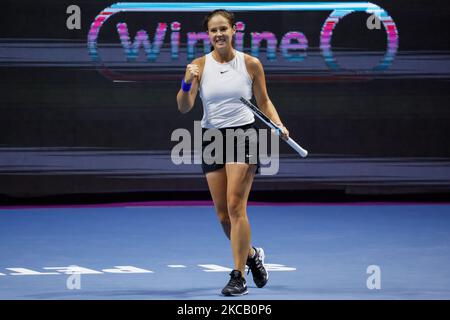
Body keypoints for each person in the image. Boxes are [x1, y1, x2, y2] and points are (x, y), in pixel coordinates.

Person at [176, 9, 289, 296]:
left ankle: (238, 276)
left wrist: (278, 123)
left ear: (234, 30)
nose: (218, 35)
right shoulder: (199, 66)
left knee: (236, 206)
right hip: (212, 138)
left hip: (244, 136)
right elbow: (184, 106)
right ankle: (251, 255)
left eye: (223, 29)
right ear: (208, 35)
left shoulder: (251, 64)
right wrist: (186, 82)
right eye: (213, 31)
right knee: (223, 215)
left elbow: (264, 102)